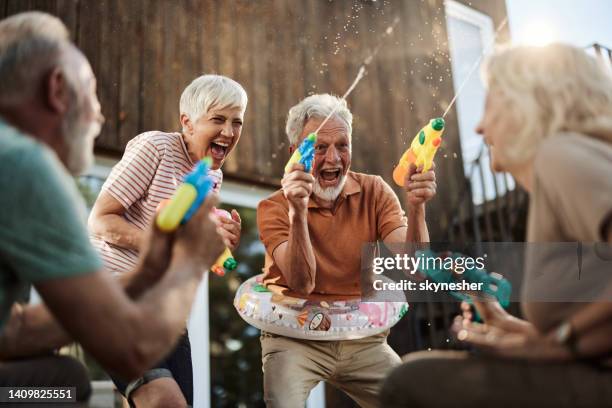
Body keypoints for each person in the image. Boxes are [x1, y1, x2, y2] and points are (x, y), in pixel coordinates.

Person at [0, 11, 225, 405]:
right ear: (57, 89)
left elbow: (12, 330)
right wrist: (188, 262)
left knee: (61, 385)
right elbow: (129, 350)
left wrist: (152, 267)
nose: (100, 115)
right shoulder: (21, 163)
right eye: (92, 91)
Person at [380, 44, 612, 407]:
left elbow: (569, 344)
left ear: (525, 107)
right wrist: (505, 322)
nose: (480, 126)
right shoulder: (567, 168)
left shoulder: (561, 157)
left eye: (490, 105)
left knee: (407, 381)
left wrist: (556, 342)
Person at [256, 93, 437, 407]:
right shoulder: (272, 208)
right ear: (294, 155)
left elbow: (416, 269)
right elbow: (302, 283)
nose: (333, 159)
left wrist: (417, 206)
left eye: (342, 145)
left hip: (359, 337)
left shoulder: (375, 191)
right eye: (320, 147)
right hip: (293, 334)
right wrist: (297, 212)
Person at [87, 74, 246, 406]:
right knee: (164, 401)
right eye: (218, 119)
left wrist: (215, 242)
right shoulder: (155, 148)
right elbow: (100, 220)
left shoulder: (211, 175)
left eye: (237, 122)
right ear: (187, 123)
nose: (229, 132)